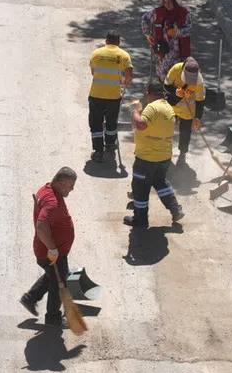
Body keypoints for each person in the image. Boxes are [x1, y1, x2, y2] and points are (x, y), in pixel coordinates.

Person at [20, 167, 77, 331]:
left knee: (54, 275)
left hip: (53, 250)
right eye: (70, 186)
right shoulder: (52, 202)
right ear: (61, 182)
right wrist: (52, 248)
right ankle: (53, 318)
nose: (72, 189)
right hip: (51, 252)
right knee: (59, 283)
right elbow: (41, 225)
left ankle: (30, 298)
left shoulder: (47, 189)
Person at [125, 79, 183, 227]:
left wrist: (134, 111)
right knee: (160, 182)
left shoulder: (152, 108)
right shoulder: (169, 108)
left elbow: (140, 125)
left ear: (149, 93)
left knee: (140, 188)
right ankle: (175, 209)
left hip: (147, 158)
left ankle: (140, 219)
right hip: (163, 157)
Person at [88, 30, 134, 163]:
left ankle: (98, 151)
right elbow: (129, 73)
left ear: (106, 41)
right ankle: (110, 144)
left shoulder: (97, 53)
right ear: (118, 42)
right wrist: (126, 81)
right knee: (111, 121)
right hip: (113, 95)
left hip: (96, 94)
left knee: (96, 123)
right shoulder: (123, 55)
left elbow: (93, 71)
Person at [140, 0, 191, 81]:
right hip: (161, 48)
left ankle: (172, 89)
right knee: (161, 72)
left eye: (170, 2)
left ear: (175, 2)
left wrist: (177, 32)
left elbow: (189, 29)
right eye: (165, 3)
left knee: (176, 72)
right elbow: (145, 18)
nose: (168, 5)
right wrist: (147, 34)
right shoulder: (158, 12)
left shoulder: (184, 14)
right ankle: (163, 87)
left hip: (178, 50)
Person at [165, 57, 205, 167]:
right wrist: (176, 92)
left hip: (188, 110)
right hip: (172, 106)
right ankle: (165, 151)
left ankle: (182, 153)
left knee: (185, 132)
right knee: (167, 129)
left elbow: (200, 101)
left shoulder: (199, 81)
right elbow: (166, 86)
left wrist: (197, 118)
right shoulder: (175, 69)